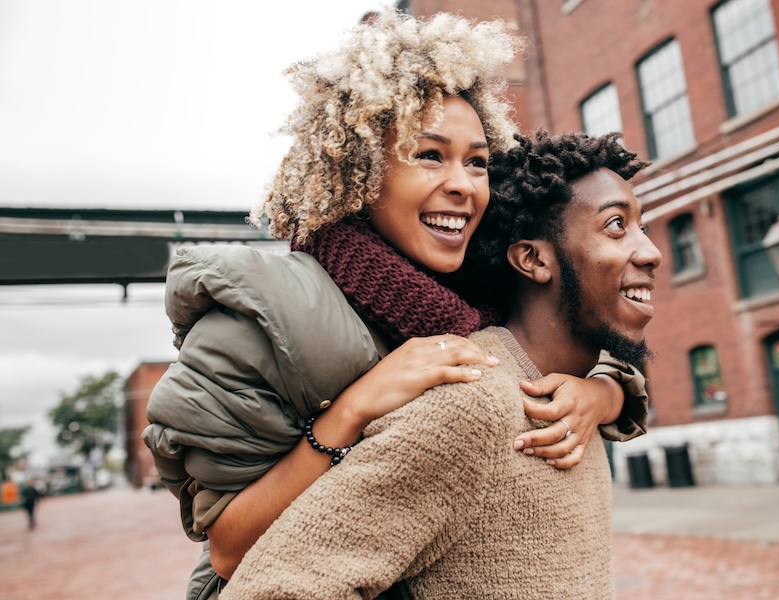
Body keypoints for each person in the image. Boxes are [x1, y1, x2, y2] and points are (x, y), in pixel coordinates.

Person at [142, 9, 648, 599]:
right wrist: (352, 411)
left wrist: (602, 392)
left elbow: (577, 326)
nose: (463, 183)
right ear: (358, 168)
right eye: (429, 155)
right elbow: (228, 551)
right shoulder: (267, 314)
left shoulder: (470, 291)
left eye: (477, 161)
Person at [220, 129, 662, 599]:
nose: (651, 252)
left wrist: (608, 392)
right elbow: (272, 588)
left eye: (643, 227)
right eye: (616, 226)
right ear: (532, 259)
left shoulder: (577, 397)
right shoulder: (473, 406)